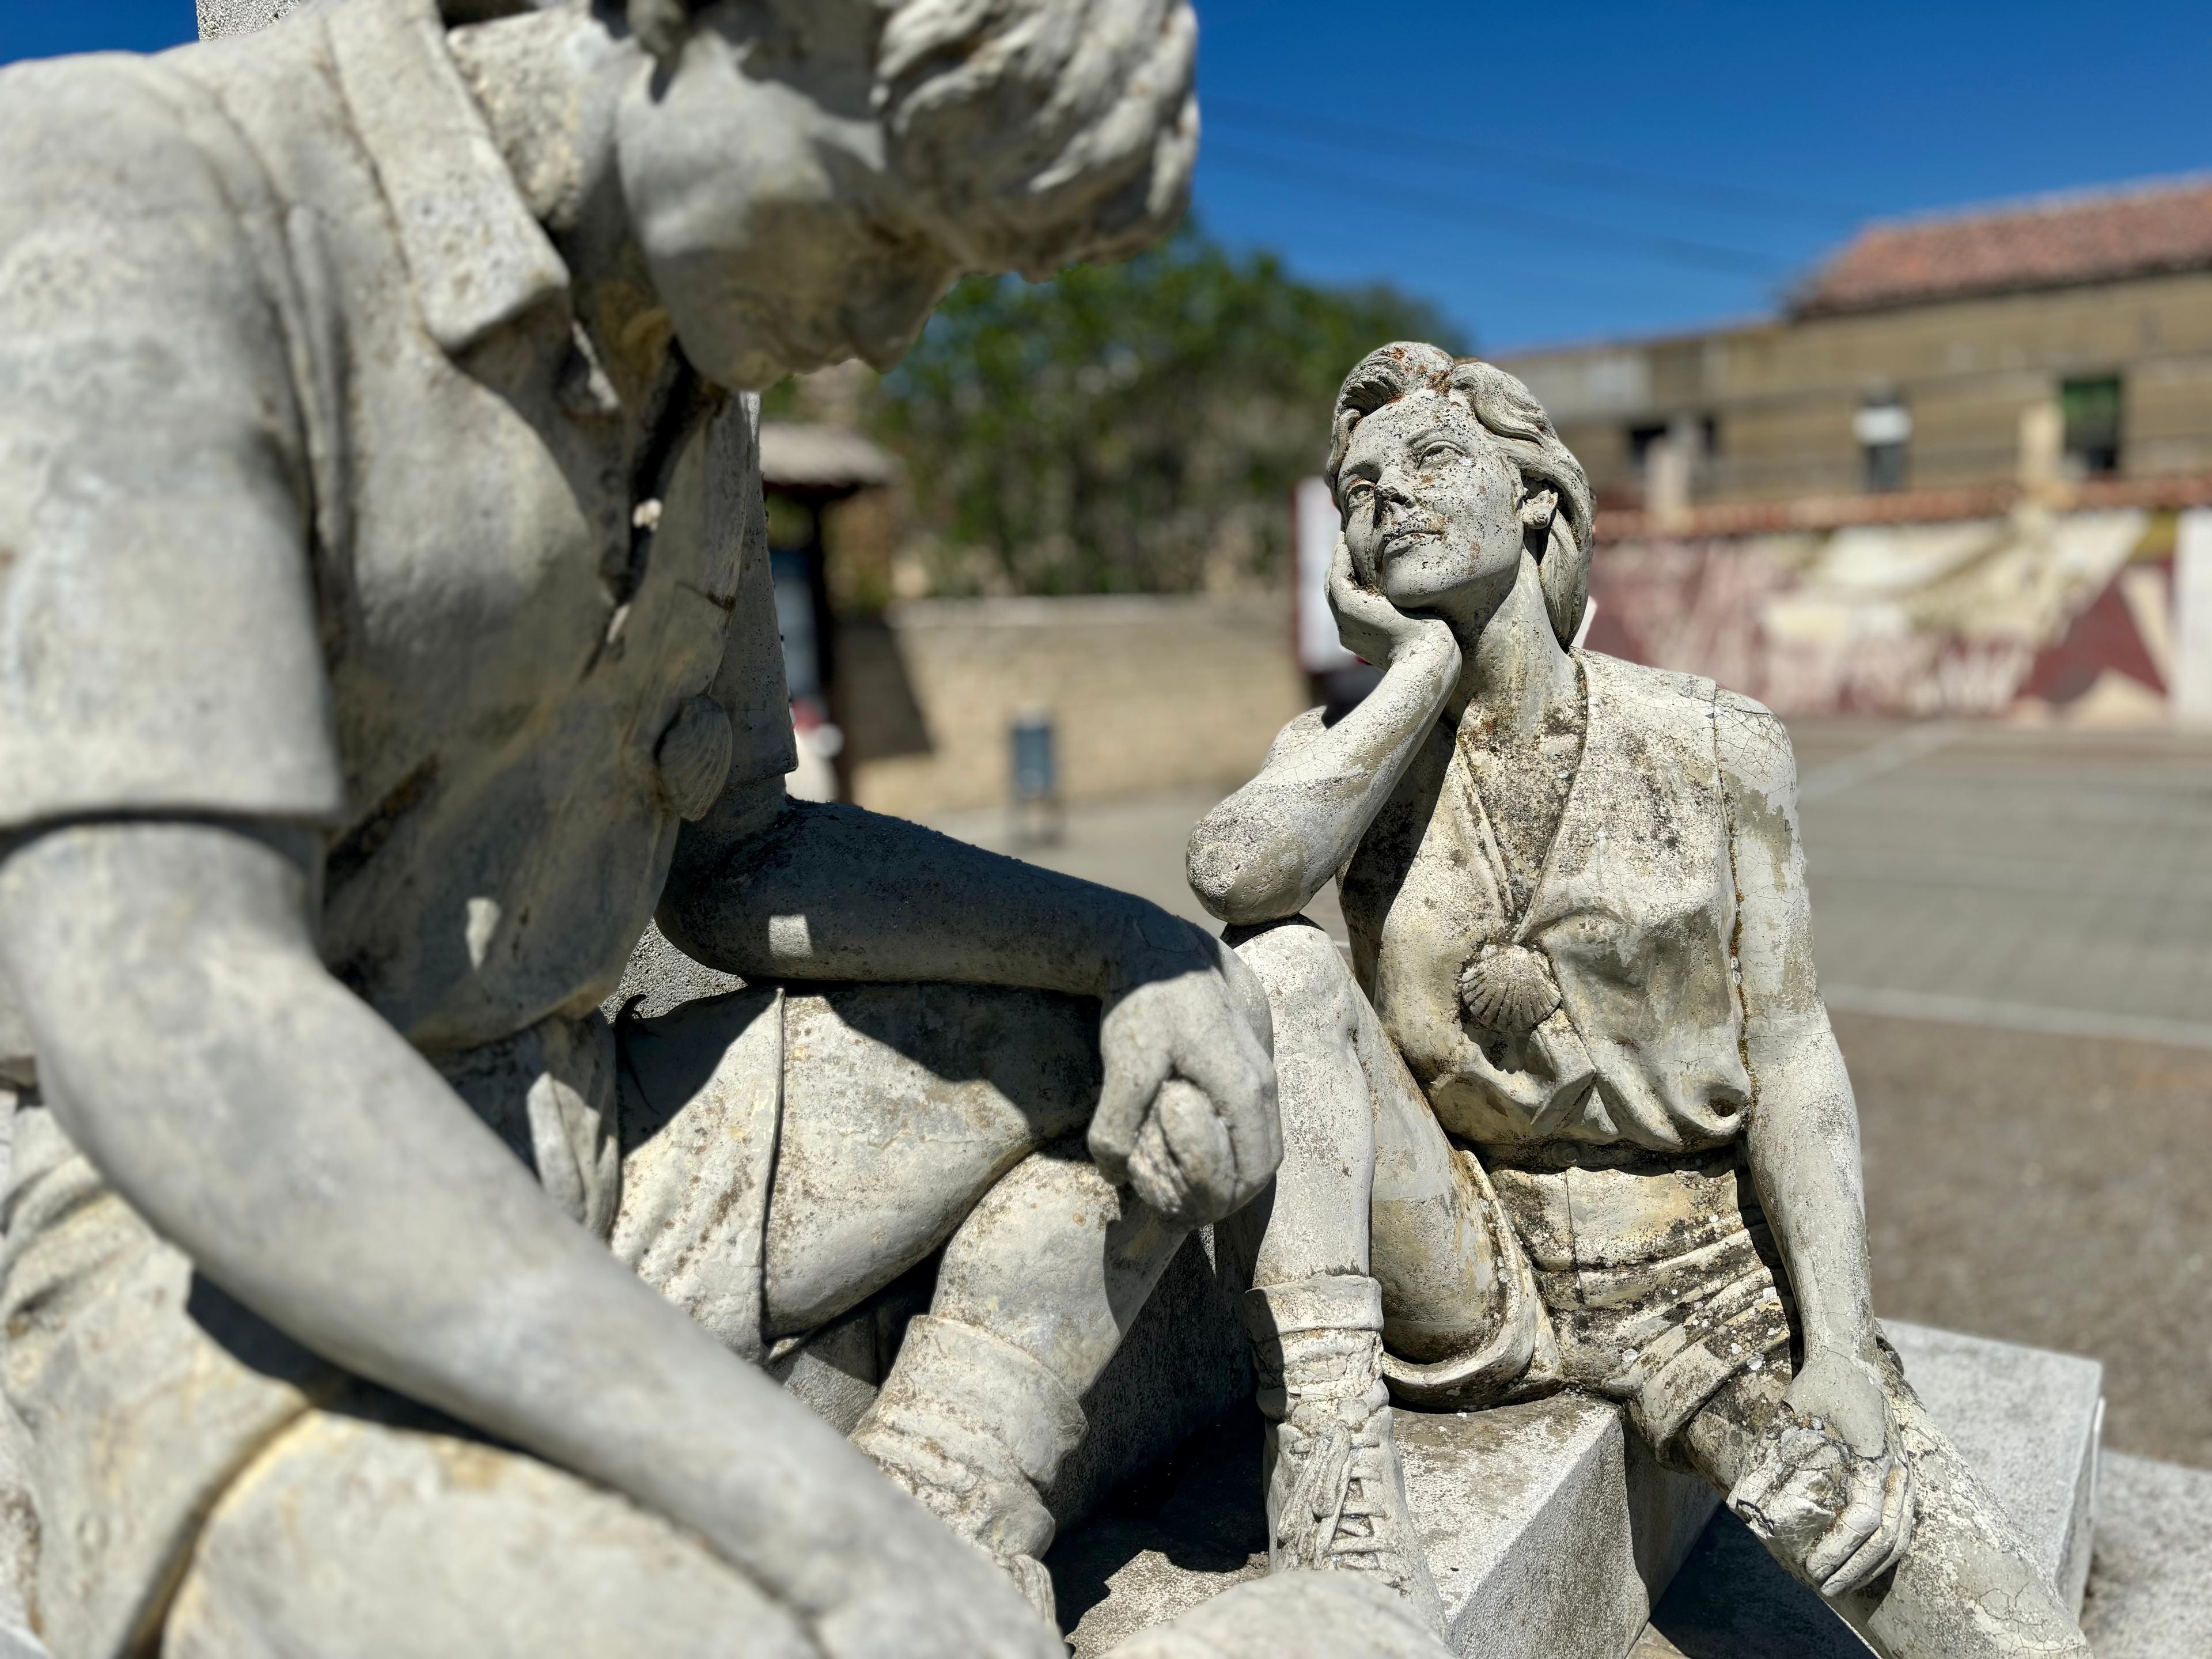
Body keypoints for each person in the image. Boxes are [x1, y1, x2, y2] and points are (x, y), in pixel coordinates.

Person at [0, 3, 1280, 1655]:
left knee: (1180, 1042)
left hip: (589, 1152)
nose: (895, 328)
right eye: (891, 223)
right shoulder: (151, 193)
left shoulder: (698, 382)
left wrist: (1134, 951)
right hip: (176, 1248)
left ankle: (961, 1474)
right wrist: (815, 1537)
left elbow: (739, 860)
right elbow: (174, 1017)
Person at [1185, 341, 2092, 1657]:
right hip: (1473, 1257)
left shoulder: (1715, 742)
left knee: (1985, 1629)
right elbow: (1235, 875)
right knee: (1282, 965)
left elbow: (1791, 1047)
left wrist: (1836, 1343)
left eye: (1434, 460)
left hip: (1694, 1272)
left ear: (1537, 501)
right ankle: (1335, 1491)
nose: (1387, 498)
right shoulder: (1350, 754)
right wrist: (1418, 681)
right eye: (1358, 487)